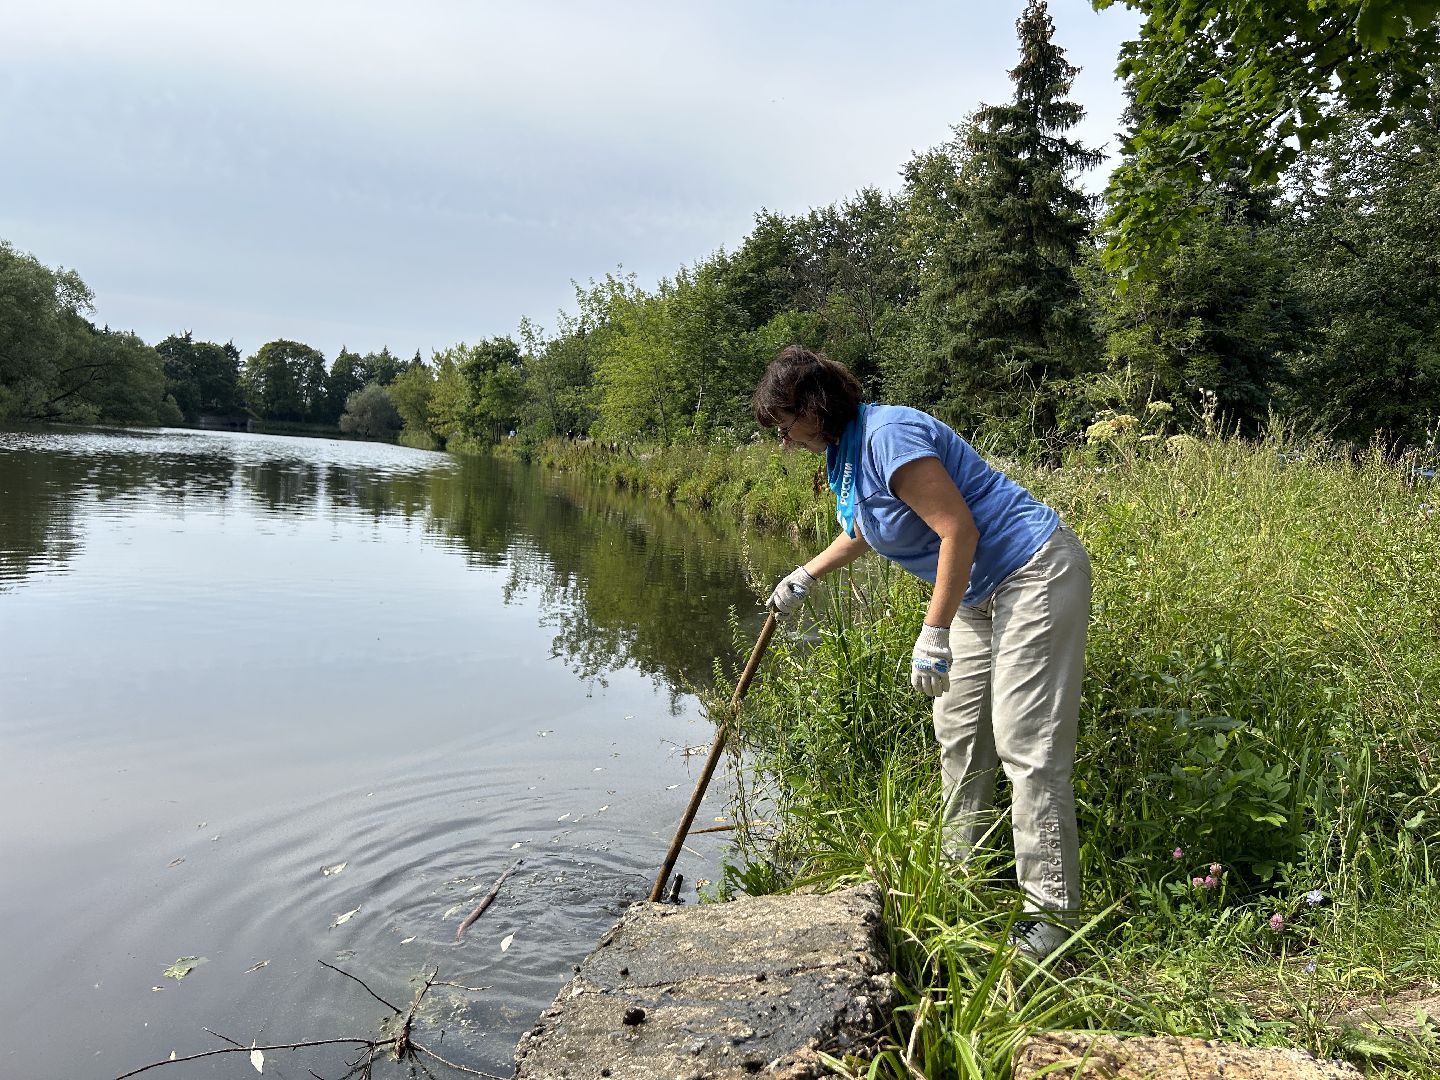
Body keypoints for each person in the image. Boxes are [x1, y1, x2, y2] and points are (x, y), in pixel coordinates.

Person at [754, 345, 1091, 960]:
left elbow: (958, 529)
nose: (785, 440)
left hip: (1032, 571)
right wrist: (805, 574)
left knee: (1027, 745)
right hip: (978, 595)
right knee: (959, 732)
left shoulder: (889, 435)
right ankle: (961, 879)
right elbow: (865, 528)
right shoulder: (843, 454)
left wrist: (932, 633)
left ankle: (1051, 920)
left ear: (816, 406)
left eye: (787, 424)